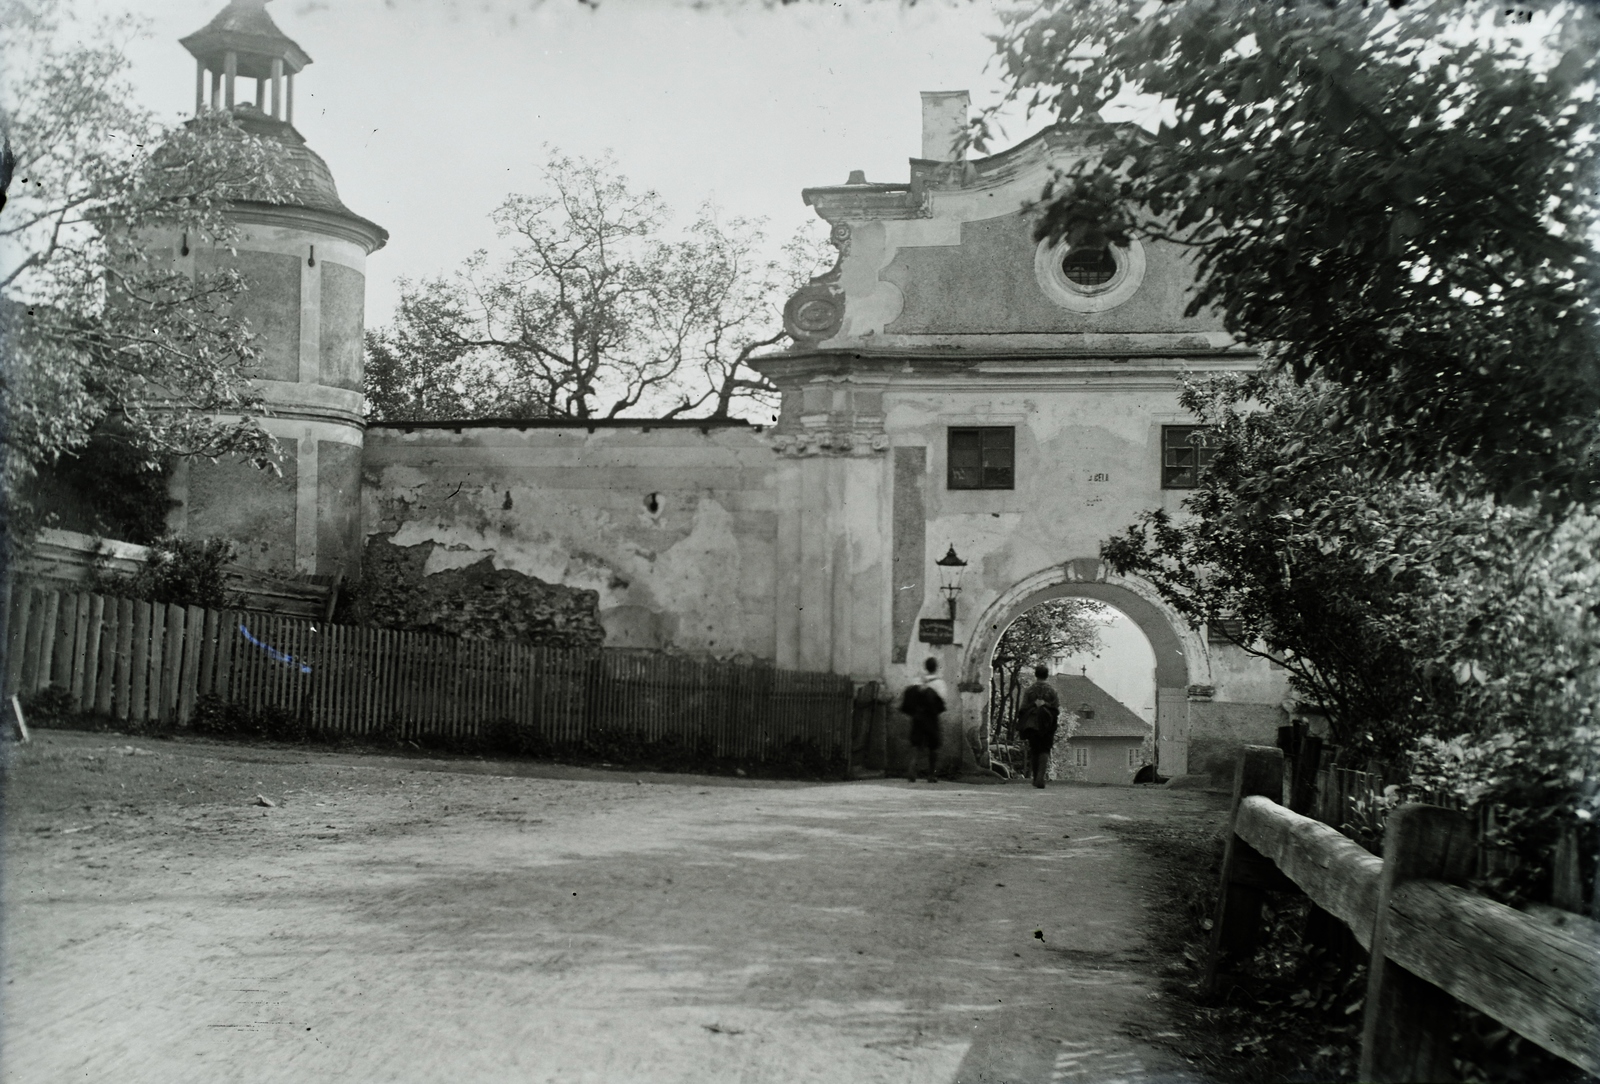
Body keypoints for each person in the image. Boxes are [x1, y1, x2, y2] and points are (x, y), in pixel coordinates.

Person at [900, 657, 947, 783]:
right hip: (931, 718)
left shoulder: (916, 681)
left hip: (917, 717)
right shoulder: (939, 683)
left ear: (925, 666)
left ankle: (912, 769)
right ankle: (931, 775)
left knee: (916, 745)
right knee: (933, 747)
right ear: (935, 667)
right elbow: (942, 702)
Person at [1017, 664, 1060, 789]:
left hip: (1032, 724)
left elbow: (1023, 708)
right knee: (1045, 749)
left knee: (1035, 749)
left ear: (1036, 675)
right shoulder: (1052, 691)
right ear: (1047, 675)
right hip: (1047, 724)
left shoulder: (1029, 690)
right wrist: (1046, 705)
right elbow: (1056, 708)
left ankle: (1036, 777)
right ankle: (1040, 777)